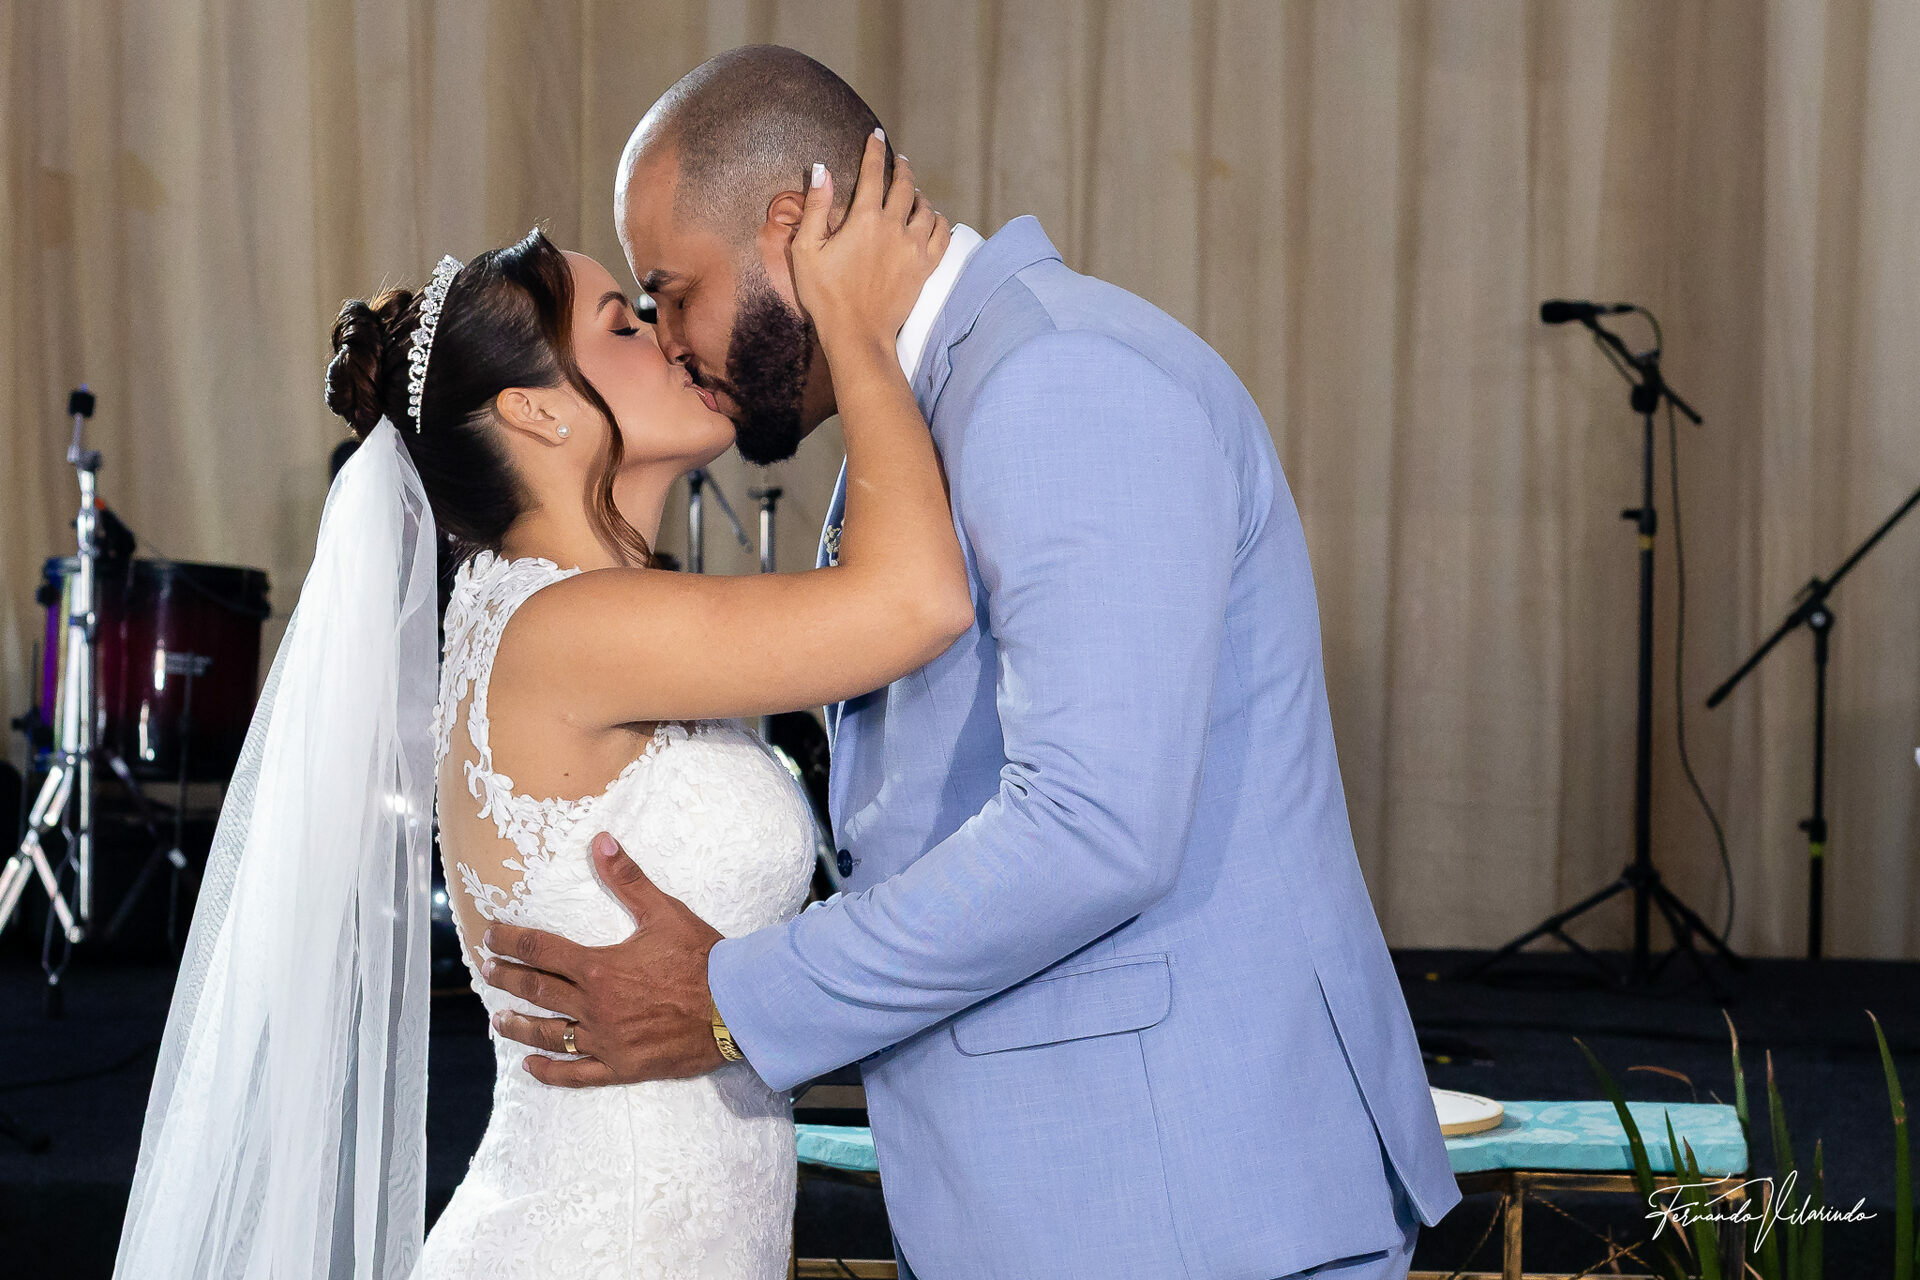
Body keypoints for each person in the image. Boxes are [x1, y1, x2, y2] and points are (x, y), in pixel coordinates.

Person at [482, 45, 1462, 1280]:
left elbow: (1093, 825)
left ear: (789, 226)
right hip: (1071, 1195)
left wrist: (735, 997)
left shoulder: (1061, 380)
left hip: (1177, 1203)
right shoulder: (931, 404)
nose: (672, 342)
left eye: (671, 293)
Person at [112, 139, 963, 1279]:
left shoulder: (569, 613)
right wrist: (856, 326)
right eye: (624, 325)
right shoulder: (565, 629)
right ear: (537, 412)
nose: (670, 336)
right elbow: (917, 600)